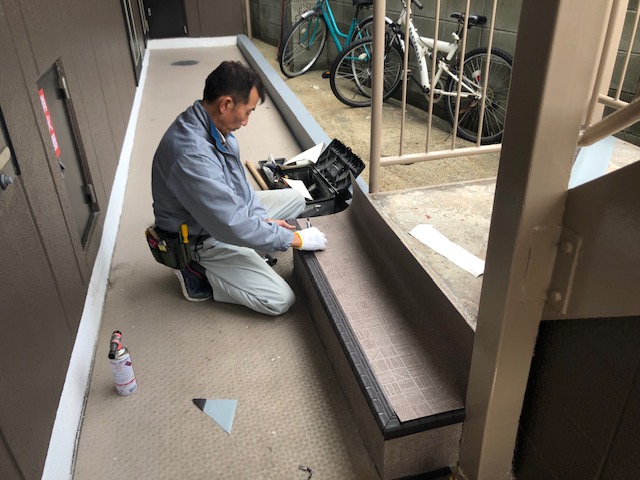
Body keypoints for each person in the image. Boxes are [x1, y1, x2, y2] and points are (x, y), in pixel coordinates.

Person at [151, 60, 327, 316]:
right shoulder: (191, 155)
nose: (246, 122)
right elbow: (229, 223)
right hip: (200, 239)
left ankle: (249, 243)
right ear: (226, 104)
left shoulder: (214, 126)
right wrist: (294, 239)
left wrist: (262, 220)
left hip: (219, 214)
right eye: (248, 112)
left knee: (295, 199)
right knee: (279, 300)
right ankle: (197, 272)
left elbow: (241, 188)